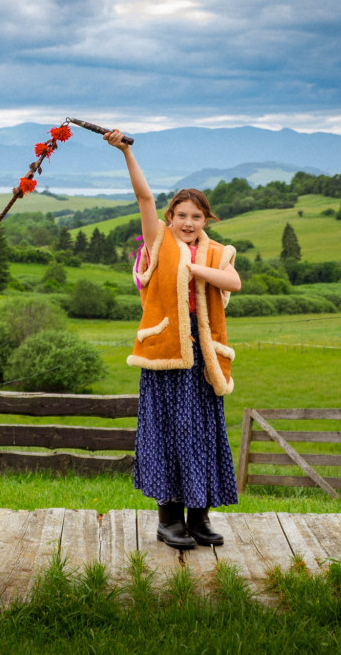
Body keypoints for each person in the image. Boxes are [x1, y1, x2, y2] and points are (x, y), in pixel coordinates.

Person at [105, 129, 241, 550]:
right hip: (166, 356)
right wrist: (127, 152)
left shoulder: (218, 253)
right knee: (168, 433)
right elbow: (145, 198)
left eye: (196, 217)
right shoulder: (158, 243)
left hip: (204, 358)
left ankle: (199, 519)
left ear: (206, 220)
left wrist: (196, 270)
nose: (187, 223)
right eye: (181, 215)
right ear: (169, 218)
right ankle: (169, 520)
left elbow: (232, 283)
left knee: (202, 434)